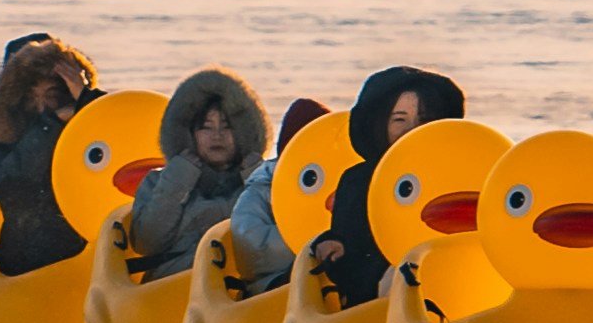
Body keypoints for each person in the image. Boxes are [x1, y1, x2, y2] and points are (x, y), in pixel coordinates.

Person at [305, 64, 464, 303]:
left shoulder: (458, 177)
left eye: (424, 120)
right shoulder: (357, 181)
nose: (411, 130)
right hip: (373, 307)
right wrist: (329, 245)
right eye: (399, 119)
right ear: (378, 123)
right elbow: (348, 251)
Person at [125, 68, 270, 281]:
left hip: (238, 292)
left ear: (243, 132)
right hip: (171, 290)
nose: (217, 136)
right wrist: (177, 181)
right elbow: (148, 243)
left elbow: (276, 246)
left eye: (227, 127)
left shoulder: (265, 180)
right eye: (206, 128)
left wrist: (256, 182)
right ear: (189, 133)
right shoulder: (160, 181)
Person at [0, 33, 96, 275]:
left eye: (52, 97)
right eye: (31, 97)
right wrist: (53, 123)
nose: (41, 107)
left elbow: (125, 145)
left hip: (90, 267)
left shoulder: (91, 144)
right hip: (25, 272)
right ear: (13, 100)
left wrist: (89, 101)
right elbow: (14, 185)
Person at [219, 96, 333, 293]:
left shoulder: (338, 186)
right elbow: (254, 250)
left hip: (325, 281)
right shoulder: (261, 190)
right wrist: (312, 237)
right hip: (273, 287)